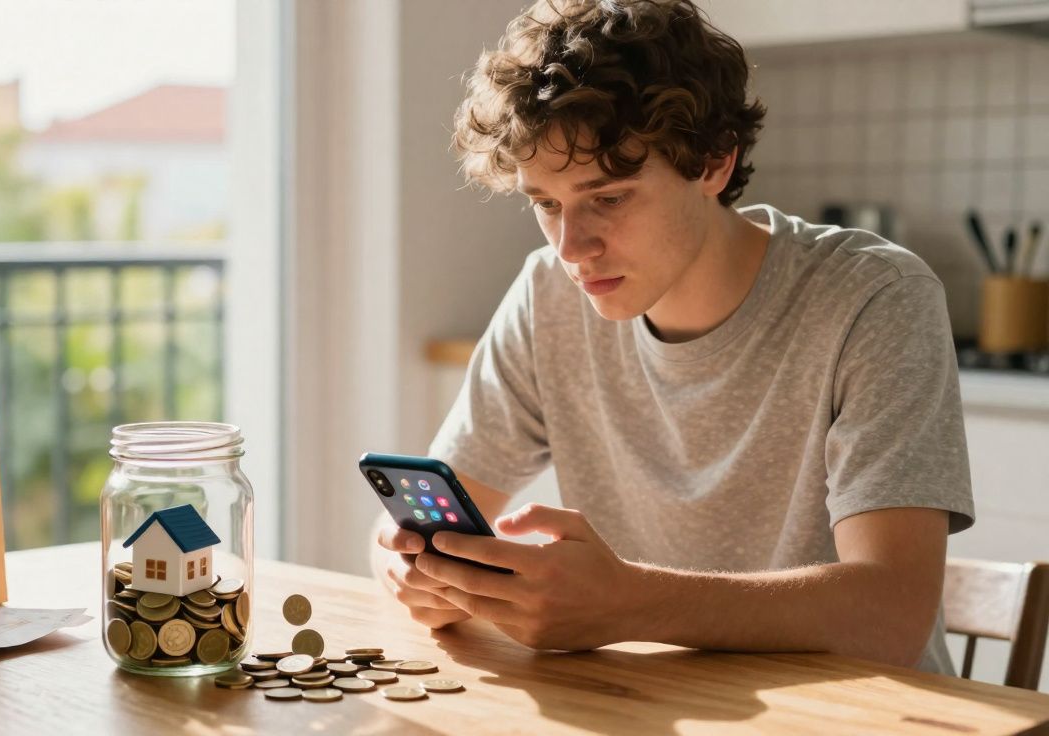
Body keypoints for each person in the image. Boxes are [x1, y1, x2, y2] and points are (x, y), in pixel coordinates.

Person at [369, 0, 974, 674]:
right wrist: (419, 572)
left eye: (609, 197)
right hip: (660, 706)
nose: (573, 248)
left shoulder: (875, 297)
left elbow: (889, 615)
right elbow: (415, 532)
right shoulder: (548, 295)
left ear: (714, 162)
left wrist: (628, 603)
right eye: (547, 204)